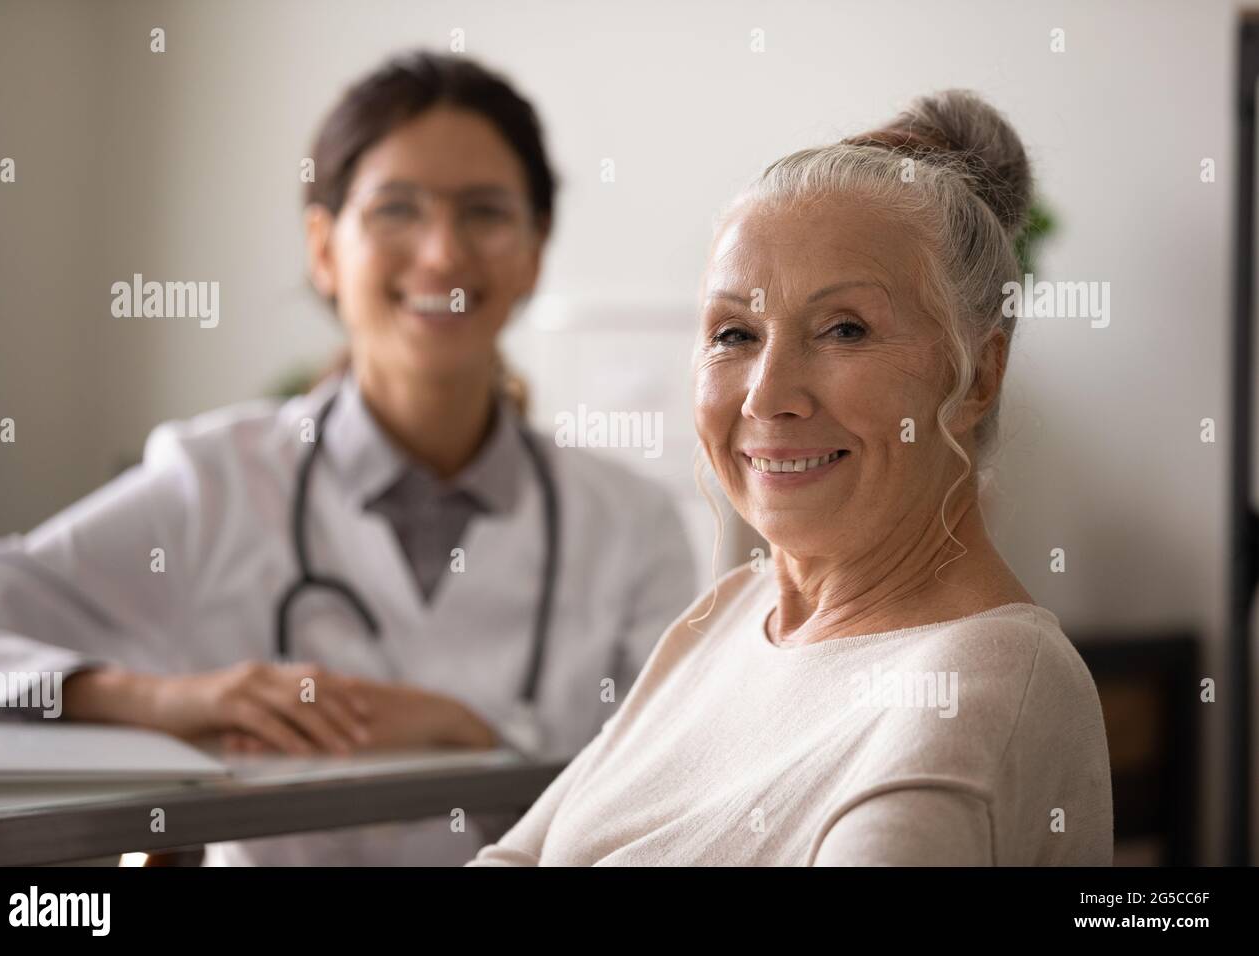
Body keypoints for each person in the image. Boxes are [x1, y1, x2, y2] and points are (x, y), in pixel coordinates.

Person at [0, 50, 697, 866]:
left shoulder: (633, 526)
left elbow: (669, 814)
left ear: (534, 251)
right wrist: (163, 700)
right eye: (395, 210)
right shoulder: (216, 484)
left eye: (485, 212)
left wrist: (470, 737)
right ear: (323, 248)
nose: (443, 254)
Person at [467, 90, 1113, 866]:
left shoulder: (979, 683)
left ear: (978, 376)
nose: (768, 396)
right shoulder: (733, 614)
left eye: (844, 329)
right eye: (734, 333)